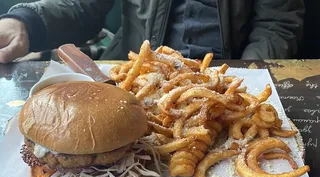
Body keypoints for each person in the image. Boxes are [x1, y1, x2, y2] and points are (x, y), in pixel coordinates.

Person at [0, 0, 305, 64]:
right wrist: (26, 23)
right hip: (135, 77)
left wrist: (245, 75)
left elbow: (276, 24)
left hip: (229, 80)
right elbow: (83, 7)